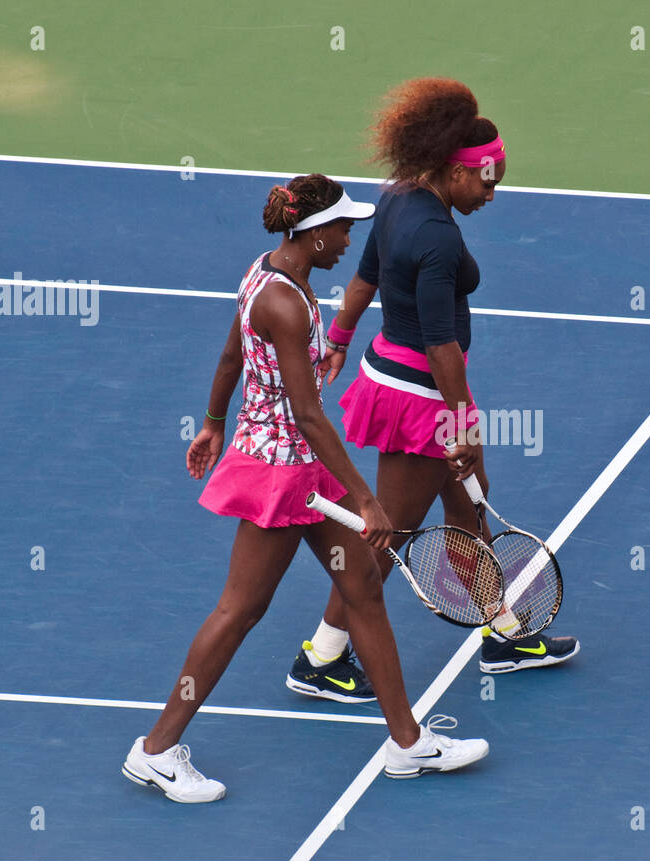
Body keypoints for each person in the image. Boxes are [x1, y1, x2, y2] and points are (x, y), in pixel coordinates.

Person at [122, 174, 488, 802]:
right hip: (282, 477)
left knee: (363, 587)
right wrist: (367, 500)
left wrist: (213, 421)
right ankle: (155, 750)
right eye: (343, 229)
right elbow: (309, 415)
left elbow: (233, 356)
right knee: (241, 611)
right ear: (313, 234)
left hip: (305, 476)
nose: (350, 240)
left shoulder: (266, 273)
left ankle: (408, 743)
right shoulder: (288, 305)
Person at [284, 78, 578, 704]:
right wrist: (464, 425)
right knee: (390, 532)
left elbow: (366, 274)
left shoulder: (398, 198)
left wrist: (338, 337)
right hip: (420, 397)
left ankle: (501, 631)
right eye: (487, 181)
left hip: (407, 383)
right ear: (454, 170)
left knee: (470, 502)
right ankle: (322, 657)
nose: (493, 193)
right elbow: (441, 344)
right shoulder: (438, 237)